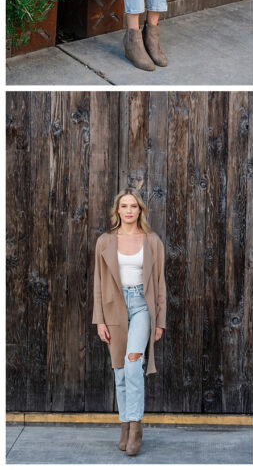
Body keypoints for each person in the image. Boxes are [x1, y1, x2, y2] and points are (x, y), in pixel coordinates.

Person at [92, 189, 167, 456]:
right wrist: (99, 320)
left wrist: (160, 322)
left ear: (140, 211)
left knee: (134, 363)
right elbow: (99, 284)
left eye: (133, 206)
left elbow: (159, 284)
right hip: (114, 308)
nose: (128, 211)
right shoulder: (105, 241)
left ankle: (136, 426)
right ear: (117, 210)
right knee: (120, 371)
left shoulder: (152, 241)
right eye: (124, 206)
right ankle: (124, 423)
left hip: (141, 306)